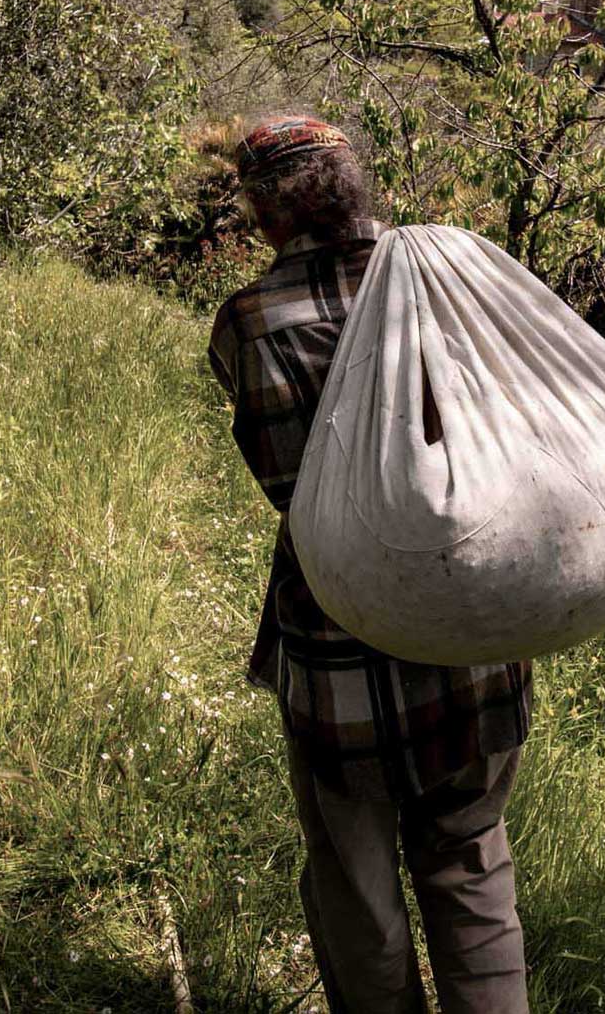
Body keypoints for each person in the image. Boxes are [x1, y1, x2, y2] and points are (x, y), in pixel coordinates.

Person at [208, 115, 533, 1014]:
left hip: (338, 646)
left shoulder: (251, 324)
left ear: (271, 217)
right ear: (356, 187)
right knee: (470, 862)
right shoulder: (452, 284)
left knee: (357, 884)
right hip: (471, 625)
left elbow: (287, 482)